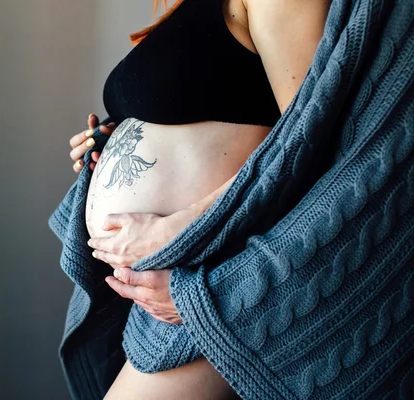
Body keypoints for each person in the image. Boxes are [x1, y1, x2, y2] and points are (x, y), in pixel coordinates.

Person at [67, 0, 330, 398]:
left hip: (217, 283)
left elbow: (309, 146)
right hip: (161, 289)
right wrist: (118, 137)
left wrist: (179, 224)